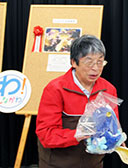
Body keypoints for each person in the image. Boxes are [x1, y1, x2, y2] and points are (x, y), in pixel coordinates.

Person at [36, 35, 118, 168]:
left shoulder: (108, 89)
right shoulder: (55, 89)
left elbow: (112, 127)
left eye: (100, 62)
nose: (96, 68)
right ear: (74, 62)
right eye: (89, 62)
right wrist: (78, 134)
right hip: (58, 163)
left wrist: (115, 139)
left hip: (93, 164)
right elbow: (46, 134)